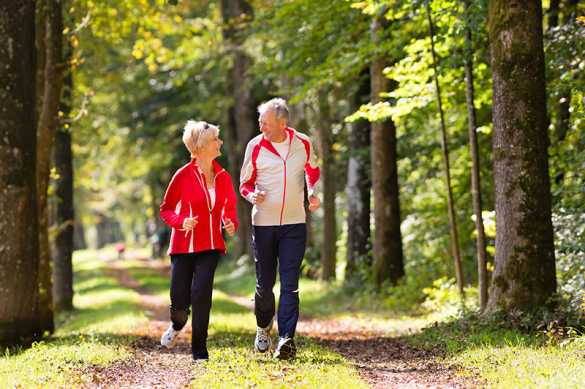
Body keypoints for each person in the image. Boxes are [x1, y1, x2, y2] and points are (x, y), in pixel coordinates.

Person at [240, 98, 320, 360]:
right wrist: (253, 196)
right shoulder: (255, 146)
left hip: (295, 224)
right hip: (263, 224)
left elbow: (313, 170)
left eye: (266, 123)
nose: (261, 126)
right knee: (265, 286)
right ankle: (263, 328)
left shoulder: (303, 142)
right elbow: (244, 184)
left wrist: (313, 193)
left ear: (282, 124)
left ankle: (286, 338)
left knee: (290, 284)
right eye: (260, 122)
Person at [159, 120, 238, 362]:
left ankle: (199, 352)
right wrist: (181, 222)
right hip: (183, 246)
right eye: (216, 139)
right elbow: (166, 209)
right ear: (202, 146)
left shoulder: (223, 176)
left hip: (211, 244)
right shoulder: (182, 175)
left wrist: (230, 222)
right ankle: (176, 324)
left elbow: (229, 207)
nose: (220, 142)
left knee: (202, 294)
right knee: (179, 300)